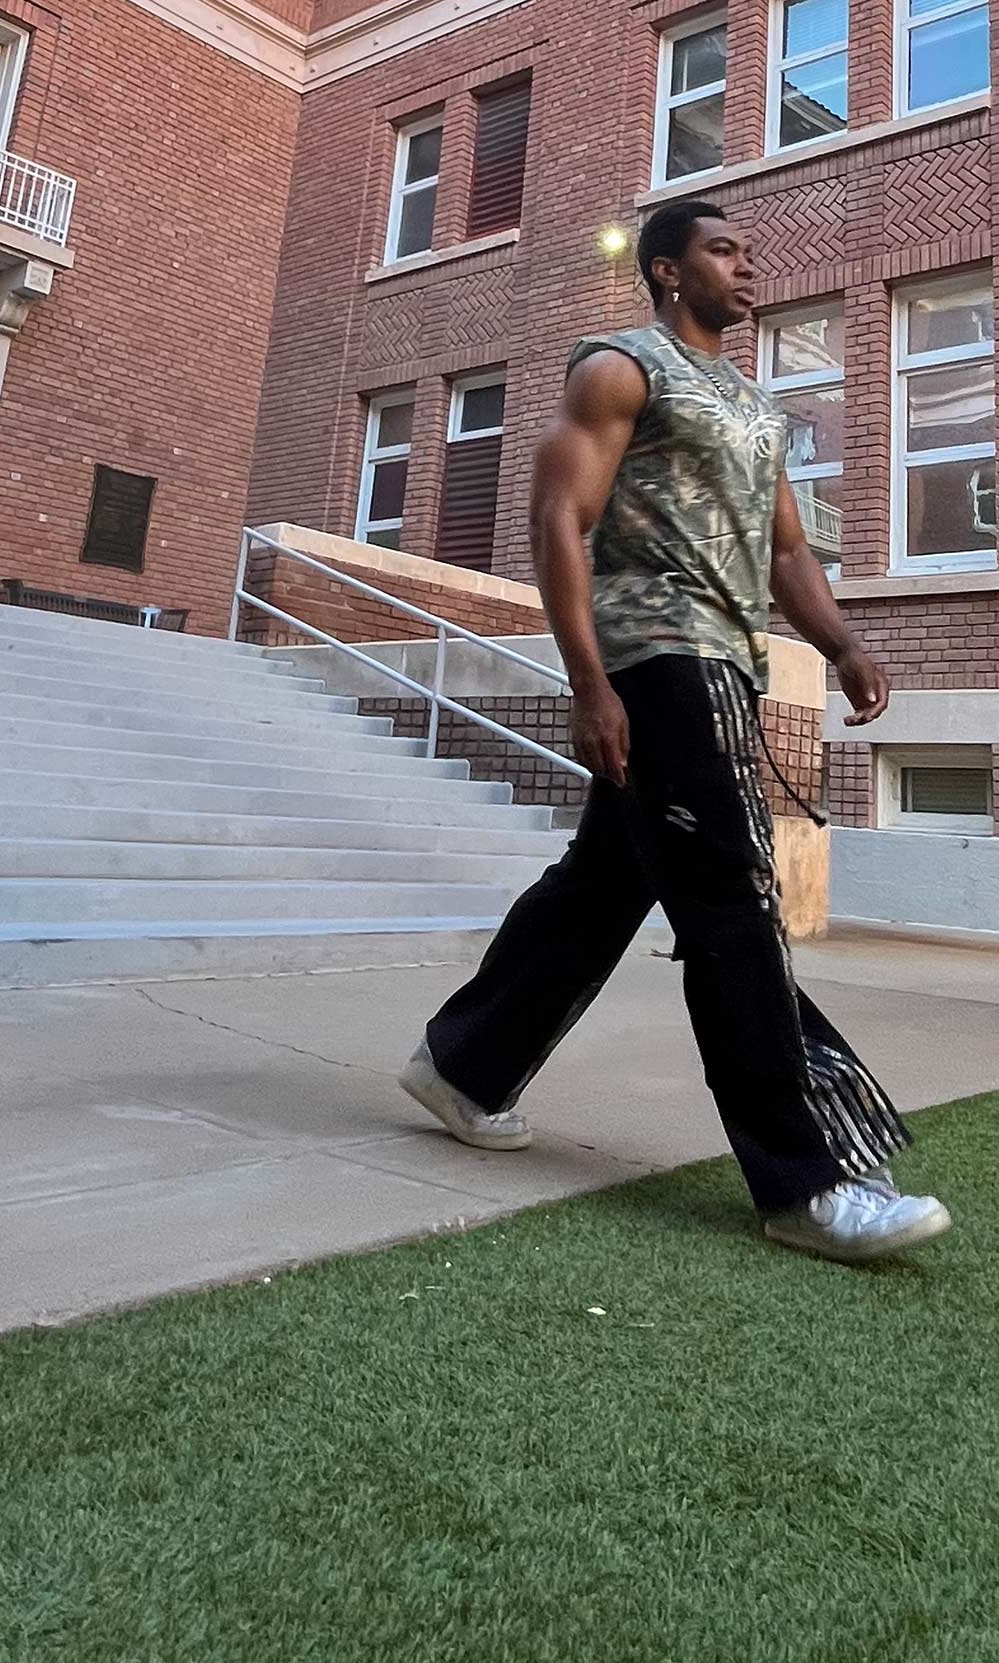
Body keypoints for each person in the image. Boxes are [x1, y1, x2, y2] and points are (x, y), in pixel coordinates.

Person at [401, 199, 952, 1264]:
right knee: (733, 904)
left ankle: (463, 1064)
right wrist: (589, 683)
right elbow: (559, 519)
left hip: (726, 662)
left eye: (748, 250)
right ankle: (807, 1181)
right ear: (666, 270)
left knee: (602, 887)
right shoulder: (621, 369)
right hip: (658, 657)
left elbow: (786, 552)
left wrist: (842, 643)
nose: (746, 265)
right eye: (722, 250)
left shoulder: (754, 405)